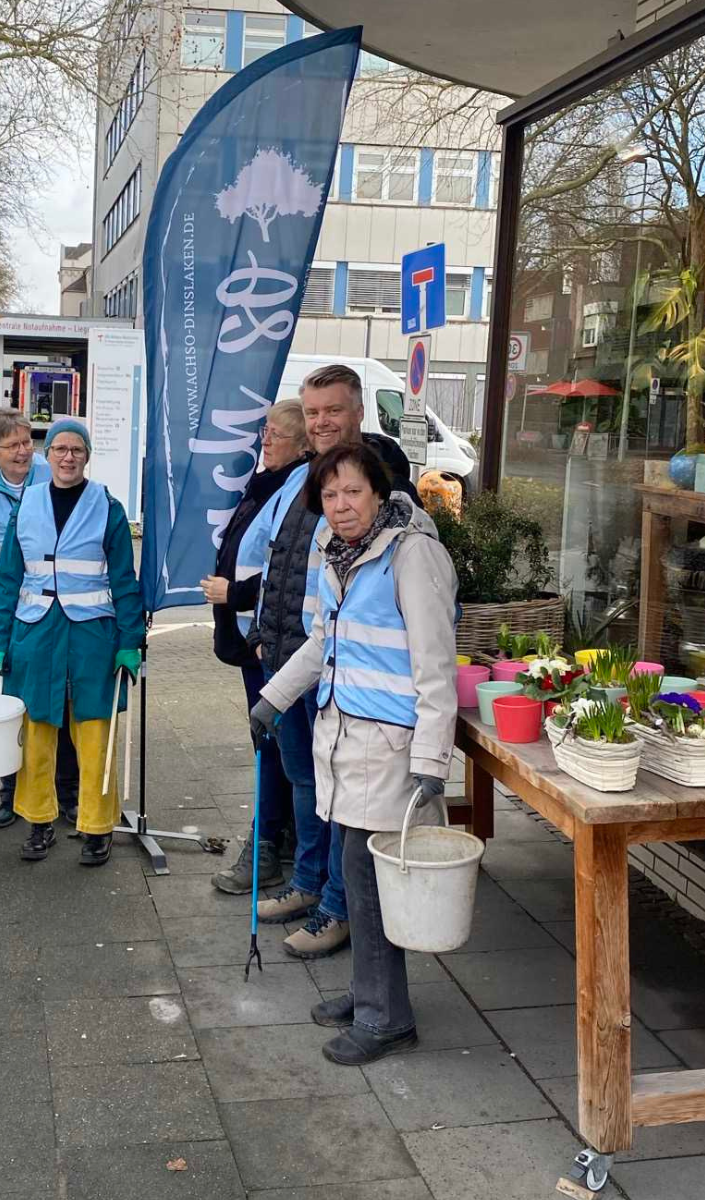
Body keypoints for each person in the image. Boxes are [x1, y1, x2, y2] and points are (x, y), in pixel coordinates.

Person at [251, 443, 458, 1065]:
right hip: (342, 742)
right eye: (330, 495)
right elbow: (322, 641)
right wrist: (274, 699)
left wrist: (431, 762)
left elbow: (436, 666)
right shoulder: (335, 553)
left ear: (379, 493)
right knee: (360, 879)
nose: (340, 506)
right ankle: (367, 991)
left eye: (353, 493)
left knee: (369, 889)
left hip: (390, 752)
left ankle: (386, 1018)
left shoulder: (412, 554)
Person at [240, 363, 418, 961]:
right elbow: (284, 562)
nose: (320, 422)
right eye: (312, 412)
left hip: (347, 678)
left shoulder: (379, 481)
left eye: (332, 411)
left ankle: (337, 910)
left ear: (358, 412)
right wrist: (266, 635)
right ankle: (311, 885)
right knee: (304, 783)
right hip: (293, 657)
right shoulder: (304, 476)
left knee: (339, 795)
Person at [0, 418, 145, 865]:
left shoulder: (107, 506)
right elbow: (7, 578)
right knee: (35, 732)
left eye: (76, 449)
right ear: (48, 454)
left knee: (95, 734)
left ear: (86, 456)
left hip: (93, 634)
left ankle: (97, 827)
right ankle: (38, 823)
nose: (68, 456)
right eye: (59, 448)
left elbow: (124, 580)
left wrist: (130, 640)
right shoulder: (28, 504)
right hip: (35, 633)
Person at [199, 400, 308, 894]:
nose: (265, 441)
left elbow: (288, 568)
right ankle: (278, 840)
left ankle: (266, 848)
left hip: (271, 642)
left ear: (303, 443)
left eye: (277, 435)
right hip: (254, 637)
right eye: (265, 432)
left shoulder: (299, 485)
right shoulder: (272, 481)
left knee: (274, 742)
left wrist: (236, 594)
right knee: (272, 742)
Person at [0, 406, 80, 831]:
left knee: (62, 703)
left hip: (61, 609)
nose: (24, 452)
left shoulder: (54, 474)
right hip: (16, 608)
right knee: (17, 706)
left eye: (27, 442)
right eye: (13, 445)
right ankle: (10, 795)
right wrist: (8, 584)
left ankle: (67, 795)